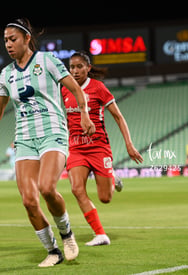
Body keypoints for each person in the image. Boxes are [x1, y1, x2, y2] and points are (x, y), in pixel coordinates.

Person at [0, 18, 95, 267]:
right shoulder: (5, 74)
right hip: (24, 138)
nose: (8, 44)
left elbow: (75, 88)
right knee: (29, 200)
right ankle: (52, 251)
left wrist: (84, 112)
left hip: (53, 132)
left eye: (13, 39)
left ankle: (67, 234)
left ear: (27, 39)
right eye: (5, 40)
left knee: (47, 187)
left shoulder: (47, 61)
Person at [61, 51, 143, 246]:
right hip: (76, 149)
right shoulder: (64, 89)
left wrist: (129, 145)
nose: (75, 71)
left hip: (98, 148)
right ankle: (100, 234)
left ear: (88, 68)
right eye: (72, 67)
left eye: (79, 66)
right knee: (76, 189)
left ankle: (112, 177)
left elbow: (118, 116)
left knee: (105, 198)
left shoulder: (98, 88)